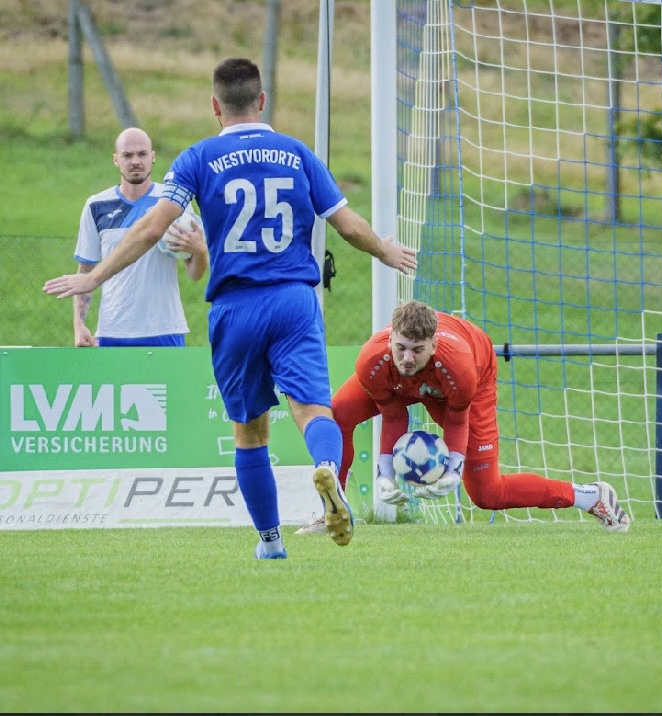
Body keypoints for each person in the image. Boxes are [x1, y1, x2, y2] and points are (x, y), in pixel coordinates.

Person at [44, 57, 418, 558]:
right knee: (312, 409)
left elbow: (152, 227)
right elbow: (347, 225)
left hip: (235, 306)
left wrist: (94, 276)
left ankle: (270, 543)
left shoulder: (198, 158)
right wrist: (385, 252)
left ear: (215, 107)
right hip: (293, 300)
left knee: (249, 431)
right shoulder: (297, 153)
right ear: (262, 101)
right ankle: (328, 468)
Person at [297, 299, 629, 535]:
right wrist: (386, 474)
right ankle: (333, 512)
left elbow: (457, 420)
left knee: (487, 494)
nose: (407, 358)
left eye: (417, 349)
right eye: (400, 348)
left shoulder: (458, 368)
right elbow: (394, 416)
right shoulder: (373, 360)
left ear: (433, 345)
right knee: (336, 416)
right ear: (391, 339)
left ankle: (590, 496)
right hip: (401, 382)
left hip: (471, 376)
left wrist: (453, 470)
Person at [73, 127, 208, 348]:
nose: (135, 161)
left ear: (152, 157)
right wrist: (79, 325)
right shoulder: (96, 206)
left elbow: (195, 273)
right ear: (116, 160)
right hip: (112, 331)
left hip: (165, 329)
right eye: (127, 155)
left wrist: (200, 251)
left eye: (142, 154)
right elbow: (86, 271)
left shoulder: (173, 202)